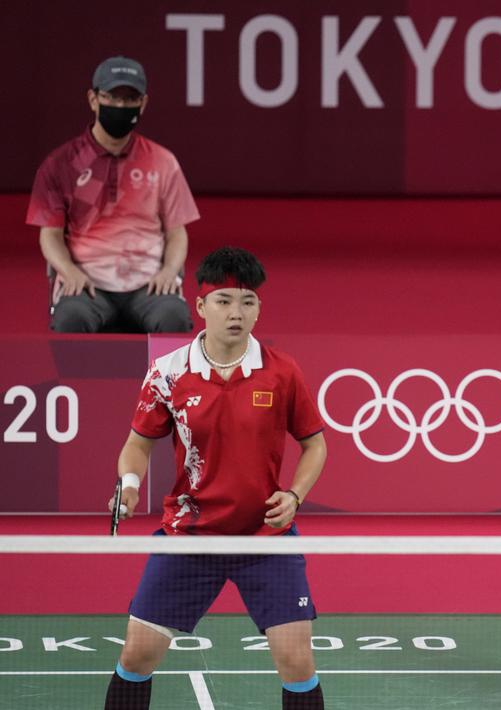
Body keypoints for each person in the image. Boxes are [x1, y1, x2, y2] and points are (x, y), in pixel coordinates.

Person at [104, 247, 328, 710]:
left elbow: (315, 444)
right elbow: (138, 443)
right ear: (200, 306)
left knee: (296, 661)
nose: (236, 313)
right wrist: (128, 484)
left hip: (265, 538)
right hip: (190, 536)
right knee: (138, 654)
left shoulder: (282, 371)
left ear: (259, 309)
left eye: (247, 302)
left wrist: (295, 494)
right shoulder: (167, 374)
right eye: (224, 300)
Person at [27, 55, 199, 333]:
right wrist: (69, 272)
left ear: (143, 103)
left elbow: (177, 233)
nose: (121, 106)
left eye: (130, 99)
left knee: (173, 317)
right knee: (71, 318)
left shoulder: (162, 161)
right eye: (112, 97)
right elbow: (50, 235)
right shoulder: (60, 164)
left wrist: (169, 271)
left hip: (148, 283)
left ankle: (161, 380)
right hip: (87, 283)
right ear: (93, 99)